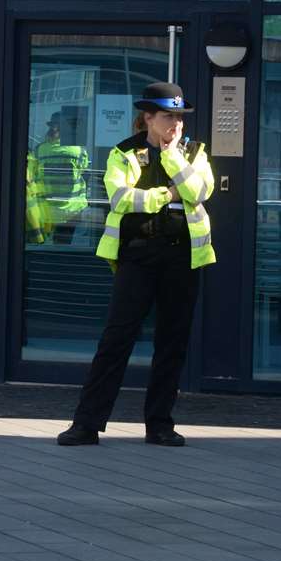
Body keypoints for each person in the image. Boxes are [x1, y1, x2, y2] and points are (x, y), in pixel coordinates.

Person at [58, 82, 216, 447]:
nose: (176, 123)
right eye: (167, 116)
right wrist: (168, 194)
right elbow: (120, 198)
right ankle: (86, 423)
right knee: (117, 338)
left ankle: (159, 424)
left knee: (172, 342)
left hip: (184, 255)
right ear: (148, 118)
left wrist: (173, 158)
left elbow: (200, 191)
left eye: (179, 116)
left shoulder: (194, 153)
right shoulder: (124, 153)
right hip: (138, 254)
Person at [34, 110, 90, 244]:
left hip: (47, 209)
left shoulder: (39, 150)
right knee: (64, 242)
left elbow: (34, 172)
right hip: (71, 210)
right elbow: (84, 169)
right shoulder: (78, 150)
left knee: (47, 244)